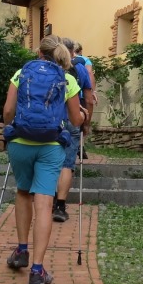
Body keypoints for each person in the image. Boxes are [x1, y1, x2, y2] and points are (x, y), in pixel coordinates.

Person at [2, 36, 85, 284]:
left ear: (39, 53)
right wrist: (83, 114)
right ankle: (37, 271)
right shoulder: (68, 79)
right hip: (50, 146)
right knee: (45, 203)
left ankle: (21, 251)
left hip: (20, 144)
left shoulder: (21, 74)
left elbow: (7, 112)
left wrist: (13, 127)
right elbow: (75, 120)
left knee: (23, 193)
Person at [53, 38, 93, 223]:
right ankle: (60, 206)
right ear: (73, 52)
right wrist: (87, 123)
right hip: (72, 118)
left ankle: (49, 198)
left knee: (50, 161)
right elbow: (89, 99)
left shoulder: (49, 68)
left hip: (52, 120)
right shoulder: (80, 69)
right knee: (67, 164)